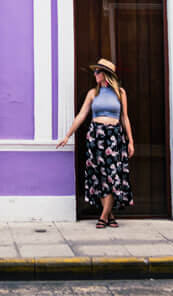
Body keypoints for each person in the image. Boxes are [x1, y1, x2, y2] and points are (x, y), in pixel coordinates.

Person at [57, 57, 134, 228]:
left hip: (114, 136)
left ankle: (103, 216)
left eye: (98, 71)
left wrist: (131, 141)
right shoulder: (93, 93)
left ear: (106, 74)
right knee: (99, 176)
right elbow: (82, 115)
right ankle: (109, 215)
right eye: (95, 71)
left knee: (113, 176)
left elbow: (125, 117)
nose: (95, 74)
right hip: (96, 136)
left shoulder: (120, 93)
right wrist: (68, 135)